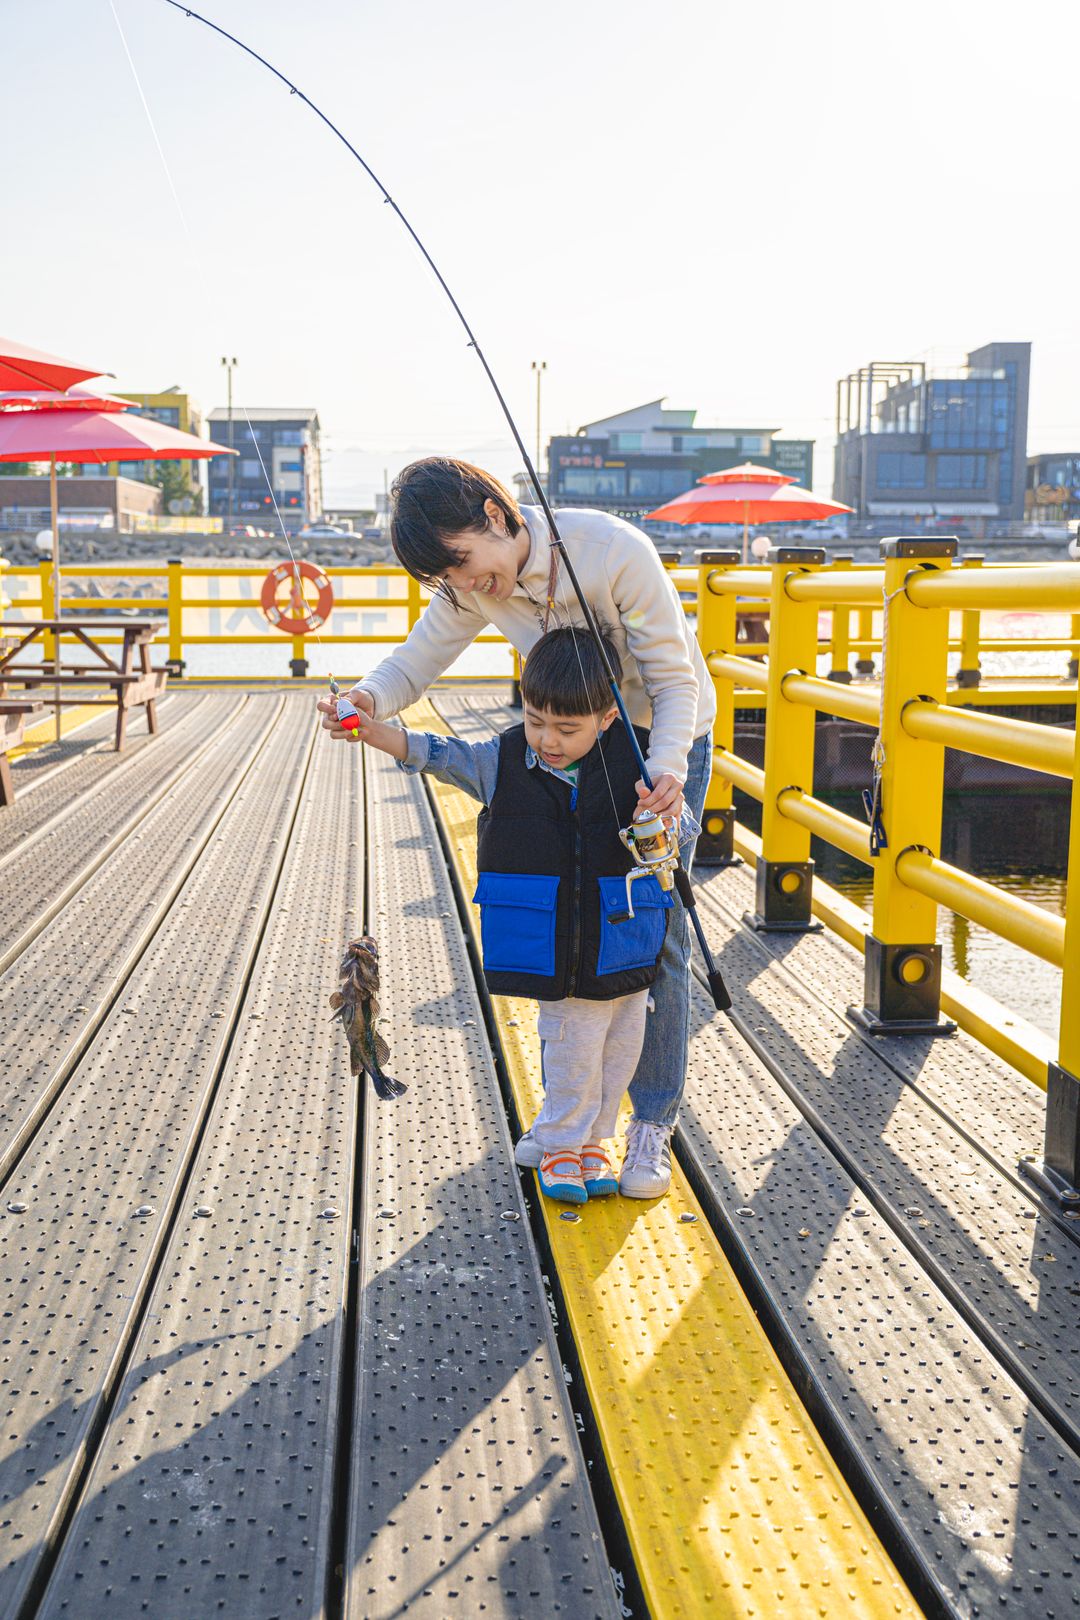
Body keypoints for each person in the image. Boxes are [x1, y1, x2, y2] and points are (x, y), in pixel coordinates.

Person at [318, 457, 715, 1197]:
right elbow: (416, 661)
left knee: (654, 934)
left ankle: (652, 1123)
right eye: (447, 578)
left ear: (496, 516)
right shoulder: (474, 585)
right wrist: (366, 700)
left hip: (663, 743)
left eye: (463, 562)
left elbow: (673, 676)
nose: (465, 585)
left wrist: (665, 770)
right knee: (577, 920)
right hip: (569, 747)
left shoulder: (611, 551)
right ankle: (574, 1124)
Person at [345, 627, 674, 1203]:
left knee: (621, 1045)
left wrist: (662, 821)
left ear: (607, 718)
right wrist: (376, 731)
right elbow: (439, 755)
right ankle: (561, 1147)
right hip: (557, 944)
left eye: (567, 729)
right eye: (535, 720)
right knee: (573, 1045)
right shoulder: (503, 760)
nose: (547, 739)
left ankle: (592, 1139)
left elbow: (676, 836)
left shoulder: (644, 759)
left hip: (625, 935)